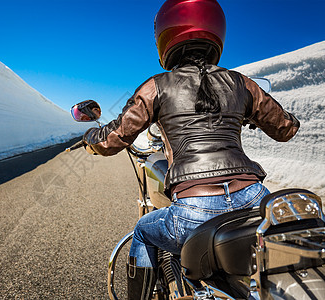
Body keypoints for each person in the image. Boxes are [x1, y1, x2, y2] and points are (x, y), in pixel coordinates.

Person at [81, 0, 300, 299]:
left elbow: (112, 139)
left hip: (195, 209)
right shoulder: (241, 84)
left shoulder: (157, 86)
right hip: (254, 198)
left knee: (144, 231)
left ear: (165, 35)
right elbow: (286, 128)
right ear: (215, 30)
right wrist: (252, 114)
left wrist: (91, 136)